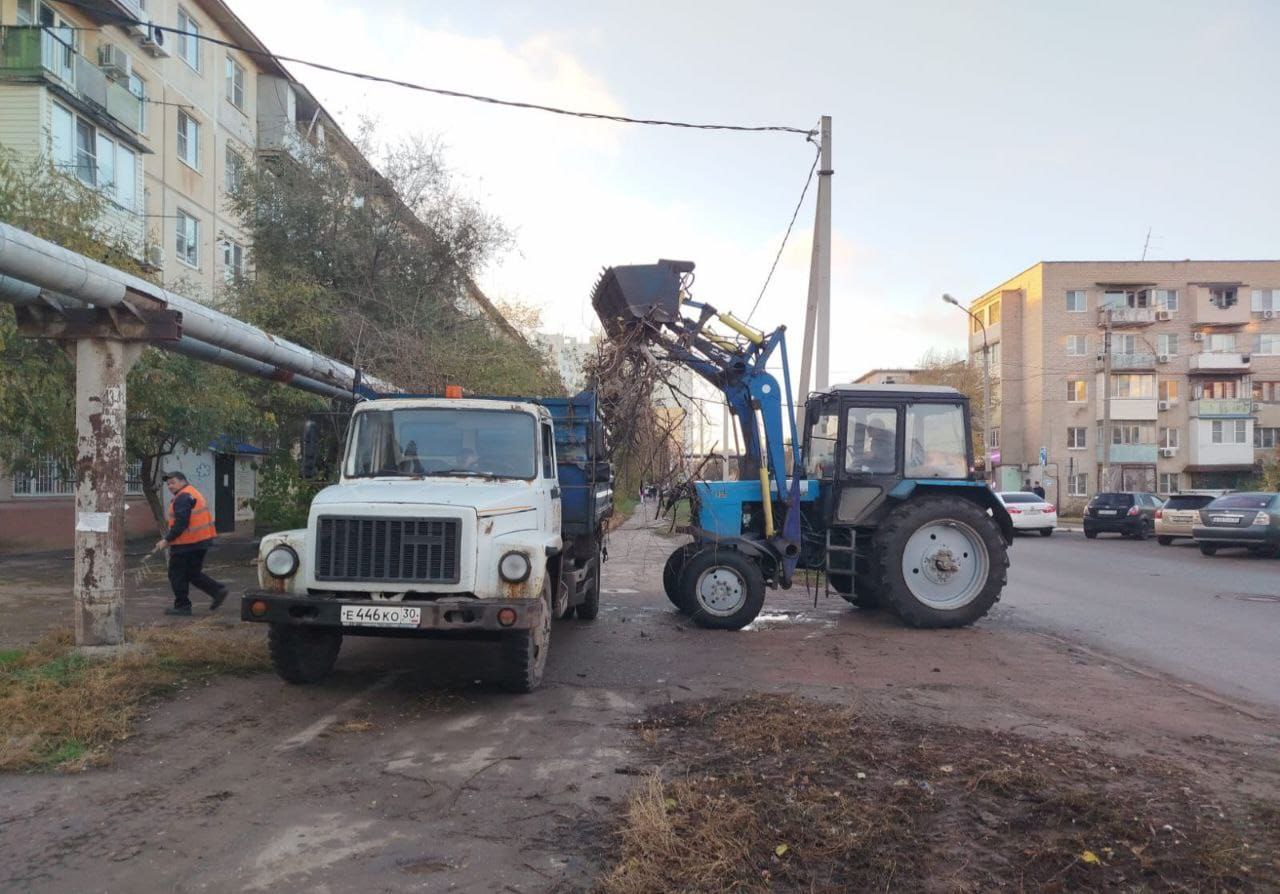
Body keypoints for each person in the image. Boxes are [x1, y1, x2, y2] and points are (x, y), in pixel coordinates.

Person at [156, 472, 228, 617]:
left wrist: (166, 540)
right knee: (192, 573)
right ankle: (217, 590)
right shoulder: (191, 493)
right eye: (168, 484)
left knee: (176, 574)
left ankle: (182, 606)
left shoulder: (182, 497)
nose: (170, 486)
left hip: (186, 544)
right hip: (200, 542)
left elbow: (181, 522)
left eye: (173, 482)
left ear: (183, 481)